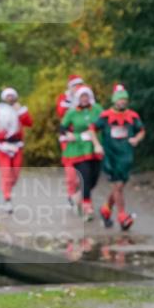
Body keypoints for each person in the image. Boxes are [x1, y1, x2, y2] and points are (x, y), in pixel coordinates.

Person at [96, 84, 146, 231]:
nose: (122, 102)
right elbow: (92, 129)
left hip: (126, 156)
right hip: (110, 156)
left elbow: (142, 130)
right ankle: (122, 216)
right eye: (120, 99)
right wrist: (97, 145)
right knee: (117, 186)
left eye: (125, 99)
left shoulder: (132, 116)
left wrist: (137, 139)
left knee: (119, 186)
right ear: (114, 100)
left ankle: (105, 210)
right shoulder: (105, 116)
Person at [0, 87, 32, 212]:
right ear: (4, 98)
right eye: (8, 96)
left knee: (15, 174)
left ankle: (8, 189)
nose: (10, 98)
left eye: (12, 96)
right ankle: (7, 198)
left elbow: (29, 123)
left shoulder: (20, 109)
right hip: (3, 146)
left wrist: (20, 111)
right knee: (6, 172)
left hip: (17, 145)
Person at [59, 84, 104, 219]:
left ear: (90, 97)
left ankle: (76, 197)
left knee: (94, 178)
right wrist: (69, 135)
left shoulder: (97, 109)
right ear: (78, 98)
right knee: (85, 175)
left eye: (86, 96)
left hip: (94, 146)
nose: (84, 99)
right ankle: (87, 207)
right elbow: (62, 127)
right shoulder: (72, 112)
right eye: (81, 96)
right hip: (78, 148)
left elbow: (105, 122)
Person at [56, 75, 85, 207]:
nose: (77, 88)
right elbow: (61, 112)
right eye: (75, 85)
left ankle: (81, 196)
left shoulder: (87, 99)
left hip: (84, 139)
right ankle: (71, 193)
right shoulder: (64, 99)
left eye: (80, 85)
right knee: (71, 170)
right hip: (68, 138)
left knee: (84, 168)